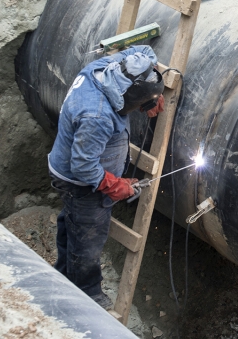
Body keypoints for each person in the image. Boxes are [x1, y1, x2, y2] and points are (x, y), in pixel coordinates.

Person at [47, 45, 165, 310]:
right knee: (88, 239)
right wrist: (115, 186)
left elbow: (143, 49)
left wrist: (151, 87)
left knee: (73, 224)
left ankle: (63, 273)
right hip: (80, 183)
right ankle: (87, 296)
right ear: (125, 98)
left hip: (67, 165)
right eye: (138, 106)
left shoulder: (103, 69)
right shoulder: (97, 116)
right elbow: (84, 167)